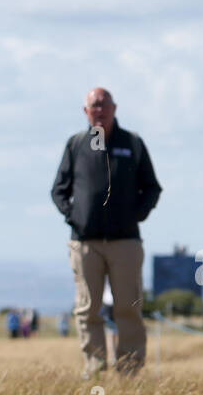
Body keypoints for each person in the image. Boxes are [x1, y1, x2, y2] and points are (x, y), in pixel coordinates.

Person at [52, 87, 162, 375]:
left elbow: (152, 187)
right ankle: (95, 367)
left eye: (103, 104)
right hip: (85, 243)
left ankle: (130, 370)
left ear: (114, 108)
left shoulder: (132, 143)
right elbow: (58, 190)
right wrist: (74, 217)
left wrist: (136, 214)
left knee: (128, 307)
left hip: (125, 242)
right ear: (85, 111)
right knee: (88, 309)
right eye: (93, 105)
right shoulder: (76, 144)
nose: (99, 110)